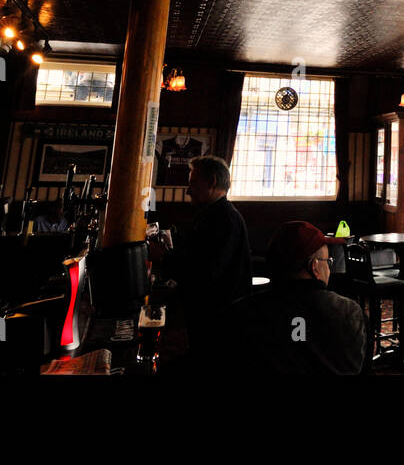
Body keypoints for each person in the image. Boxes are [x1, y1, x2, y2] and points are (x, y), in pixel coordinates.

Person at [149, 155, 252, 362]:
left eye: (193, 183)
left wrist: (164, 258)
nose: (188, 191)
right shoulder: (215, 215)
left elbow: (206, 273)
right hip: (212, 319)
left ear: (212, 182)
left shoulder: (224, 219)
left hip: (218, 323)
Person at [228, 221, 366, 374]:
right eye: (328, 262)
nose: (329, 268)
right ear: (314, 267)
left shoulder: (240, 313)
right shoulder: (349, 313)